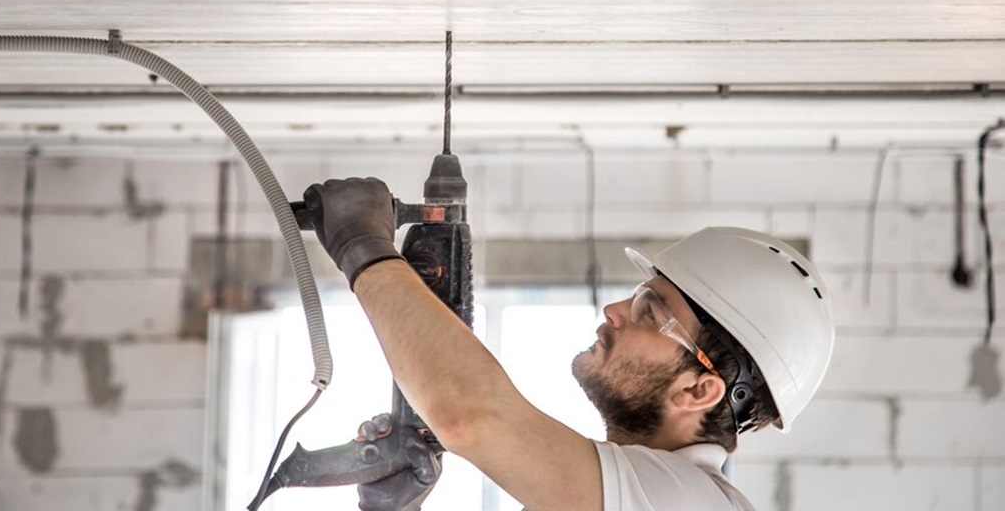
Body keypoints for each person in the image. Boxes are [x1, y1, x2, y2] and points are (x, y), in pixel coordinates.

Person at [304, 177, 835, 511]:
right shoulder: (624, 492)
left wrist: (363, 248)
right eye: (637, 297)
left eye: (651, 313)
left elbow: (471, 417)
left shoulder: (682, 501)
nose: (616, 312)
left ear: (699, 390)